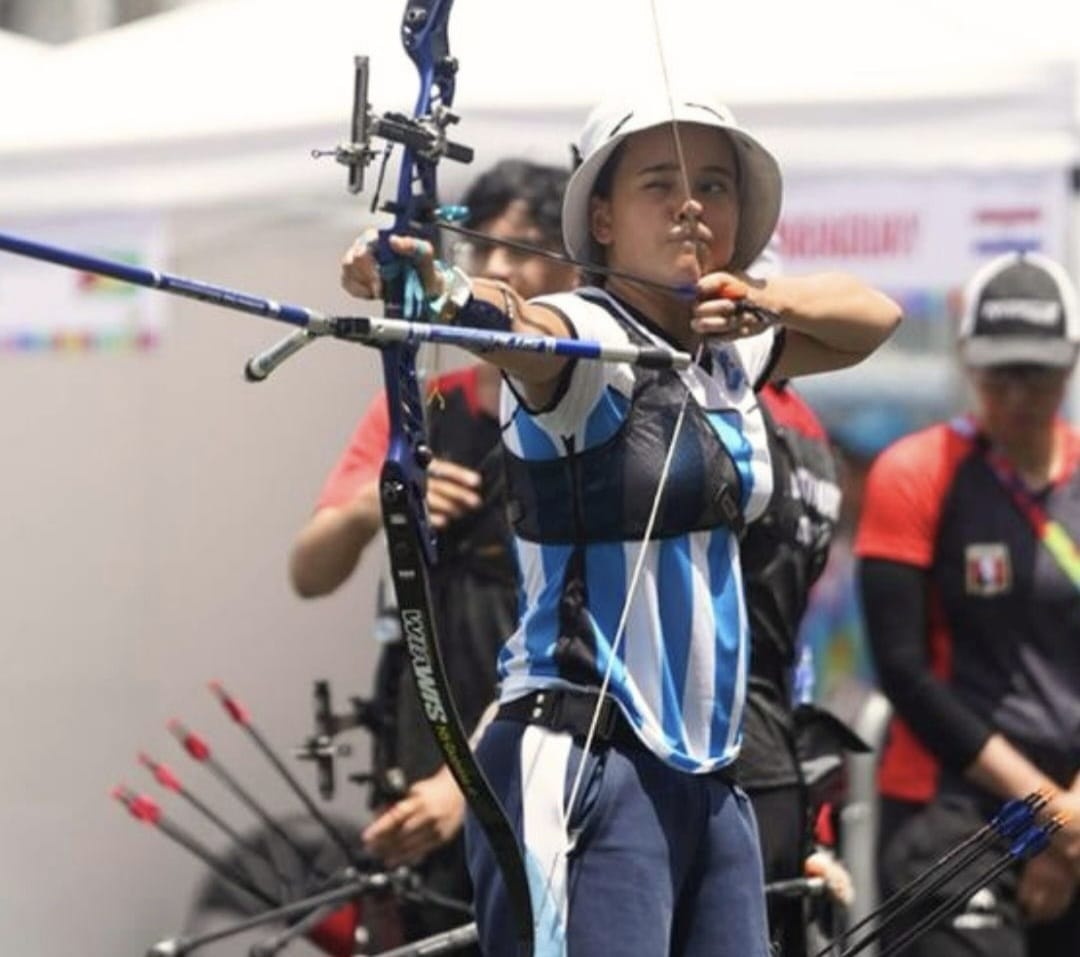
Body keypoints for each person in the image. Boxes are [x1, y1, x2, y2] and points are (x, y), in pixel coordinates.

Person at [341, 91, 901, 957]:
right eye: (659, 184)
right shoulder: (583, 334)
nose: (690, 204)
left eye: (714, 186)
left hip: (709, 781)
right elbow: (513, 322)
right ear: (600, 217)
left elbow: (874, 319)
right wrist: (434, 285)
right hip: (585, 765)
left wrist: (760, 299)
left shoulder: (727, 348)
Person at [290, 159, 577, 944]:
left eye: (529, 249)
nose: (504, 269)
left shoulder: (585, 412)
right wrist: (377, 505)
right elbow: (309, 570)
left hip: (539, 772)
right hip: (419, 757)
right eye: (487, 249)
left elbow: (581, 643)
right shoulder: (426, 404)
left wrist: (465, 786)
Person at [855, 251, 1080, 956]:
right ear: (967, 362)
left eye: (1036, 370)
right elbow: (903, 668)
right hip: (960, 810)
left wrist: (1070, 824)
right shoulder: (916, 472)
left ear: (1070, 362)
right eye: (998, 369)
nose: (1017, 391)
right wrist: (1048, 818)